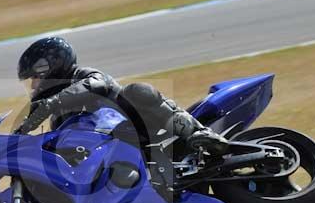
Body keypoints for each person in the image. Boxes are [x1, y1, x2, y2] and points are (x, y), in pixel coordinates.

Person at [15, 36, 228, 156]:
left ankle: (198, 133)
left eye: (35, 77)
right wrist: (21, 135)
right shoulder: (59, 119)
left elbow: (97, 85)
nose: (33, 86)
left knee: (136, 91)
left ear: (51, 68)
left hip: (146, 131)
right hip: (121, 157)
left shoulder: (83, 76)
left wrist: (52, 102)